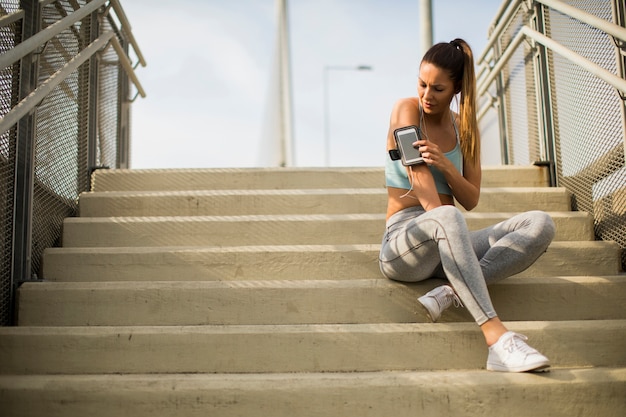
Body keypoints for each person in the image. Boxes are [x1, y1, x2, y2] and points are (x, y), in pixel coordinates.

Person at [378, 38, 556, 373]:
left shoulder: (464, 127)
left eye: (438, 89)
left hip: (449, 241)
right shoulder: (406, 110)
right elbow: (424, 189)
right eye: (422, 84)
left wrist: (446, 164)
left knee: (539, 223)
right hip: (403, 245)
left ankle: (450, 291)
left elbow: (471, 199)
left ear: (457, 88)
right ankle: (497, 340)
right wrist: (450, 231)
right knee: (447, 215)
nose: (426, 95)